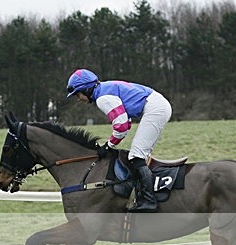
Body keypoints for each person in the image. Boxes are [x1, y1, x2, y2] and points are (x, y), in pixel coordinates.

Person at [66, 69, 172, 212]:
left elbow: (121, 127)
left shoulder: (103, 98)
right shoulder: (104, 88)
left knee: (136, 155)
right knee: (137, 153)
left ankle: (149, 201)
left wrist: (108, 146)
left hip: (155, 108)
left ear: (86, 89)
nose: (78, 99)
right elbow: (125, 124)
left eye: (78, 94)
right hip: (156, 104)